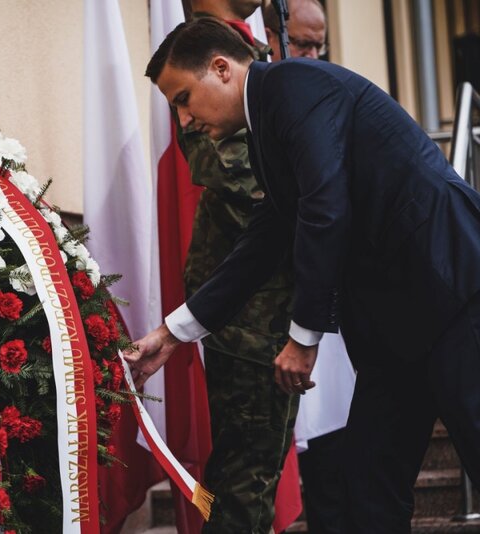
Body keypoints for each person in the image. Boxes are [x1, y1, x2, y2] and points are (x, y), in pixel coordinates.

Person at [129, 17, 480, 532]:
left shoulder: (295, 86)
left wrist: (302, 336)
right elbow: (263, 243)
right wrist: (171, 333)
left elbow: (325, 208)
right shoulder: (267, 125)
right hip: (393, 329)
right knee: (367, 486)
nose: (183, 120)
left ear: (221, 69)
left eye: (183, 98)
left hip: (453, 292)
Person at [176, 2, 298, 533]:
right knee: (240, 483)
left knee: (253, 476)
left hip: (271, 309)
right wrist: (308, 183)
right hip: (245, 316)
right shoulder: (197, 58)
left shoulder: (255, 50)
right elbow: (233, 173)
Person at [264, 2, 356, 532]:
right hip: (281, 315)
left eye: (319, 45)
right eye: (301, 43)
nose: (312, 56)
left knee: (337, 463)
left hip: (331, 315)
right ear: (271, 39)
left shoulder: (325, 101)